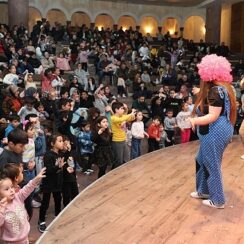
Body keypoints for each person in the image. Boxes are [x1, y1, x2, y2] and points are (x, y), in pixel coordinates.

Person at [189, 54, 236, 209]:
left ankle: (218, 200)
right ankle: (203, 190)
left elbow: (212, 115)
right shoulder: (225, 89)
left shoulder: (215, 91)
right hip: (223, 129)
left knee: (211, 164)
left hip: (215, 132)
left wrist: (194, 120)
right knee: (201, 159)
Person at [0, 167, 46, 243]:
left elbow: (27, 188)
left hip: (25, 238)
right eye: (6, 189)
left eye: (11, 187)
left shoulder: (18, 197)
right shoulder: (1, 208)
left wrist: (36, 179)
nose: (11, 190)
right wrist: (1, 210)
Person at [38, 134, 65, 232]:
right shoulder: (48, 155)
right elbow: (48, 170)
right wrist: (58, 167)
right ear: (52, 144)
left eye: (62, 140)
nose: (62, 143)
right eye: (60, 141)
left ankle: (57, 215)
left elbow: (62, 167)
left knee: (58, 199)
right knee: (45, 202)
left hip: (58, 182)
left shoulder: (61, 154)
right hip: (48, 183)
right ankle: (41, 220)